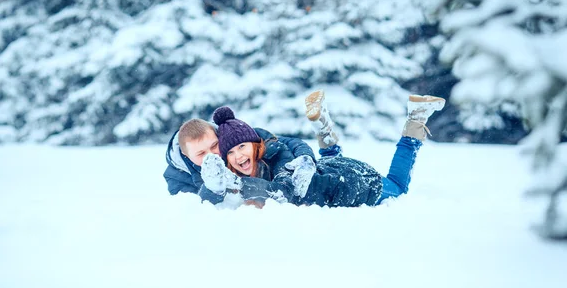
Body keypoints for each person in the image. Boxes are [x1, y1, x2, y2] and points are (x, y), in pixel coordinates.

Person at [200, 90, 445, 207]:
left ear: (255, 146)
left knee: (398, 187)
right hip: (330, 169)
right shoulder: (256, 158)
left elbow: (281, 189)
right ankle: (323, 126)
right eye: (230, 153)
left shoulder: (281, 159)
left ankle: (416, 119)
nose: (237, 155)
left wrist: (237, 185)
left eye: (241, 147)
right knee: (326, 171)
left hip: (356, 183)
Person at [163, 117, 318, 204]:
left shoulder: (233, 138)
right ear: (187, 155)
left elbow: (287, 142)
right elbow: (199, 212)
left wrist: (305, 158)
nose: (212, 155)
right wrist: (212, 188)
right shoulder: (176, 177)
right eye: (201, 153)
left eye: (214, 146)